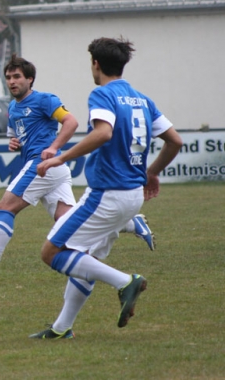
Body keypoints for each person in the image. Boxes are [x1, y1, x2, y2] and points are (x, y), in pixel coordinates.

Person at [31, 37, 182, 339]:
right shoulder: (142, 99)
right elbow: (175, 141)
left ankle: (125, 282)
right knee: (86, 258)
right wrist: (152, 172)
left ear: (96, 64)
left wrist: (60, 157)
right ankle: (61, 328)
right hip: (132, 196)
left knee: (52, 252)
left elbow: (103, 133)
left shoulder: (102, 94)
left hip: (107, 193)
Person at [0, 55, 155, 285]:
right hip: (52, 169)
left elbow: (70, 122)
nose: (12, 81)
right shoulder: (12, 107)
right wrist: (14, 143)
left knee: (5, 207)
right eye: (9, 77)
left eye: (17, 77)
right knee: (67, 220)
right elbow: (18, 137)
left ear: (30, 79)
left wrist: (53, 148)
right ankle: (130, 223)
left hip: (42, 165)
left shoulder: (44, 100)